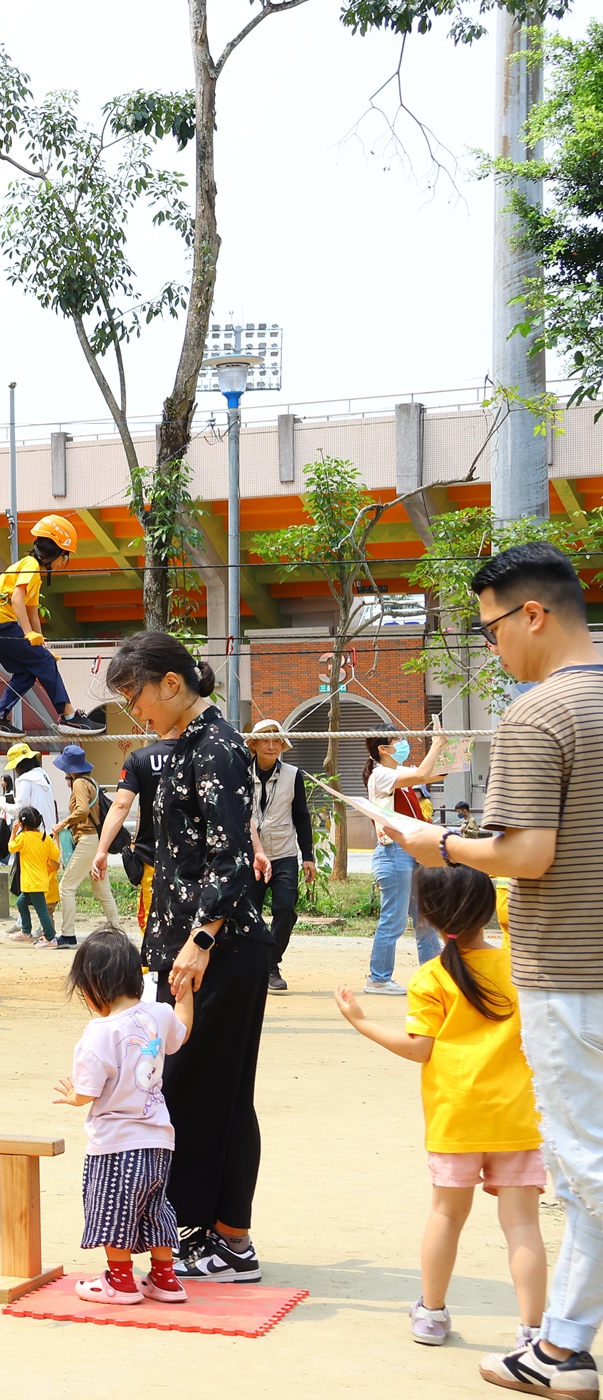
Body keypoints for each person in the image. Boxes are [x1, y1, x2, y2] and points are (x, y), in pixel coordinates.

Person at [378, 542, 603, 1394]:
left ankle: (563, 1351)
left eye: (491, 628)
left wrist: (435, 842)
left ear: (533, 614)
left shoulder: (540, 714)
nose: (492, 645)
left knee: (585, 1171)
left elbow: (527, 854)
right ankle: (561, 1343)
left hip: (572, 971)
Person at [106, 631, 270, 1285]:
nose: (134, 711)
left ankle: (231, 1241)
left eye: (135, 697)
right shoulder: (183, 747)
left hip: (220, 949)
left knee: (211, 1093)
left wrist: (201, 941)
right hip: (188, 950)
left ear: (171, 684)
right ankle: (208, 1230)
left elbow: (231, 859)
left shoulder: (217, 747)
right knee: (195, 1091)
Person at [333, 864, 545, 1351]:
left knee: (446, 1216)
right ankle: (533, 1332)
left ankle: (430, 1314)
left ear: (428, 917)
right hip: (517, 1117)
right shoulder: (518, 964)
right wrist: (500, 874)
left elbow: (419, 1049)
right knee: (523, 1226)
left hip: (456, 1119)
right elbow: (514, 907)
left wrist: (361, 1022)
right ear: (487, 910)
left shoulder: (432, 976)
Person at [53, 928, 195, 1306]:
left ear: (94, 985)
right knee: (155, 1210)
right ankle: (165, 1279)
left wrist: (73, 1097)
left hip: (115, 1144)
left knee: (113, 1211)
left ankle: (120, 1282)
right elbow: (182, 1032)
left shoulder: (98, 1033)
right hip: (158, 1141)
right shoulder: (159, 1014)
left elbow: (88, 1091)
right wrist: (185, 994)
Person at [0, 515, 104, 738]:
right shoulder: (30, 567)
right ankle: (70, 717)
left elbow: (32, 611)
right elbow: (17, 599)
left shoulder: (33, 571)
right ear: (55, 552)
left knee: (27, 671)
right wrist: (28, 635)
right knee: (44, 663)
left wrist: (41, 645)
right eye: (65, 556)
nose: (64, 562)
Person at [364, 727, 449, 997]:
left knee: (425, 917)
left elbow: (437, 773)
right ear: (383, 749)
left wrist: (451, 746)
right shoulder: (381, 774)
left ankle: (434, 975)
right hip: (393, 853)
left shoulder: (399, 773)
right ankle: (378, 979)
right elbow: (423, 774)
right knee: (394, 919)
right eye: (398, 740)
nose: (404, 744)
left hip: (412, 851)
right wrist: (436, 744)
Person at [247, 720, 315, 994]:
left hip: (284, 853)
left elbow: (302, 816)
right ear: (253, 744)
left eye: (276, 740)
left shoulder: (293, 774)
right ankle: (253, 965)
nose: (271, 745)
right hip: (250, 854)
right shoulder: (240, 772)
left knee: (286, 908)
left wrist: (308, 856)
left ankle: (270, 964)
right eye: (265, 740)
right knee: (248, 913)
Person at [92, 737, 173, 936]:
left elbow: (121, 805)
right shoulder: (204, 751)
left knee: (153, 925)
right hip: (197, 862)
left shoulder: (141, 758)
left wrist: (102, 850)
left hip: (153, 859)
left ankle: (155, 958)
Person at [50, 744, 122, 935]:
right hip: (95, 840)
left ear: (69, 769)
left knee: (66, 887)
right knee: (102, 890)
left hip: (87, 839)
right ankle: (116, 929)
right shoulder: (91, 782)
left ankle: (68, 935)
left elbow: (82, 810)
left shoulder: (79, 783)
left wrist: (63, 823)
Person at [10, 807, 61, 948]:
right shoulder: (45, 838)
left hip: (32, 882)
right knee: (21, 902)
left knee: (42, 911)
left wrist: (13, 832)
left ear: (22, 824)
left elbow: (11, 847)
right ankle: (26, 932)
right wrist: (56, 838)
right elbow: (55, 854)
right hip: (39, 880)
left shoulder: (22, 837)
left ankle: (50, 938)